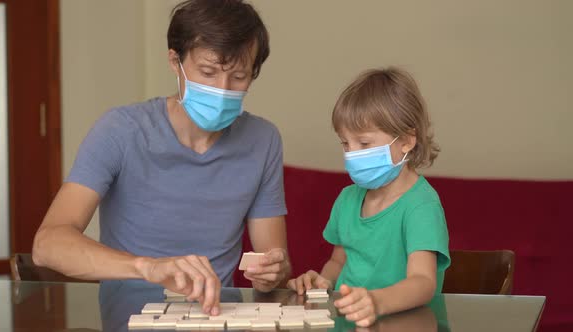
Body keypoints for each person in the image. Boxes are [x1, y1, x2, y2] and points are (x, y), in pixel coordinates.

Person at [32, 0, 291, 316]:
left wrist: (271, 273)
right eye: (208, 72)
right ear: (175, 61)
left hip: (219, 319)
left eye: (239, 77)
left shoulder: (263, 140)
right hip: (133, 321)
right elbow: (47, 245)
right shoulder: (121, 130)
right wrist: (148, 268)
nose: (222, 90)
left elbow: (272, 265)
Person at [287, 67, 450, 326]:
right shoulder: (347, 199)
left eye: (363, 144)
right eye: (345, 144)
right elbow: (338, 260)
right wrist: (322, 281)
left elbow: (423, 282)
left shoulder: (421, 205)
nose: (352, 154)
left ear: (407, 140)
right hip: (349, 322)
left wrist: (376, 302)